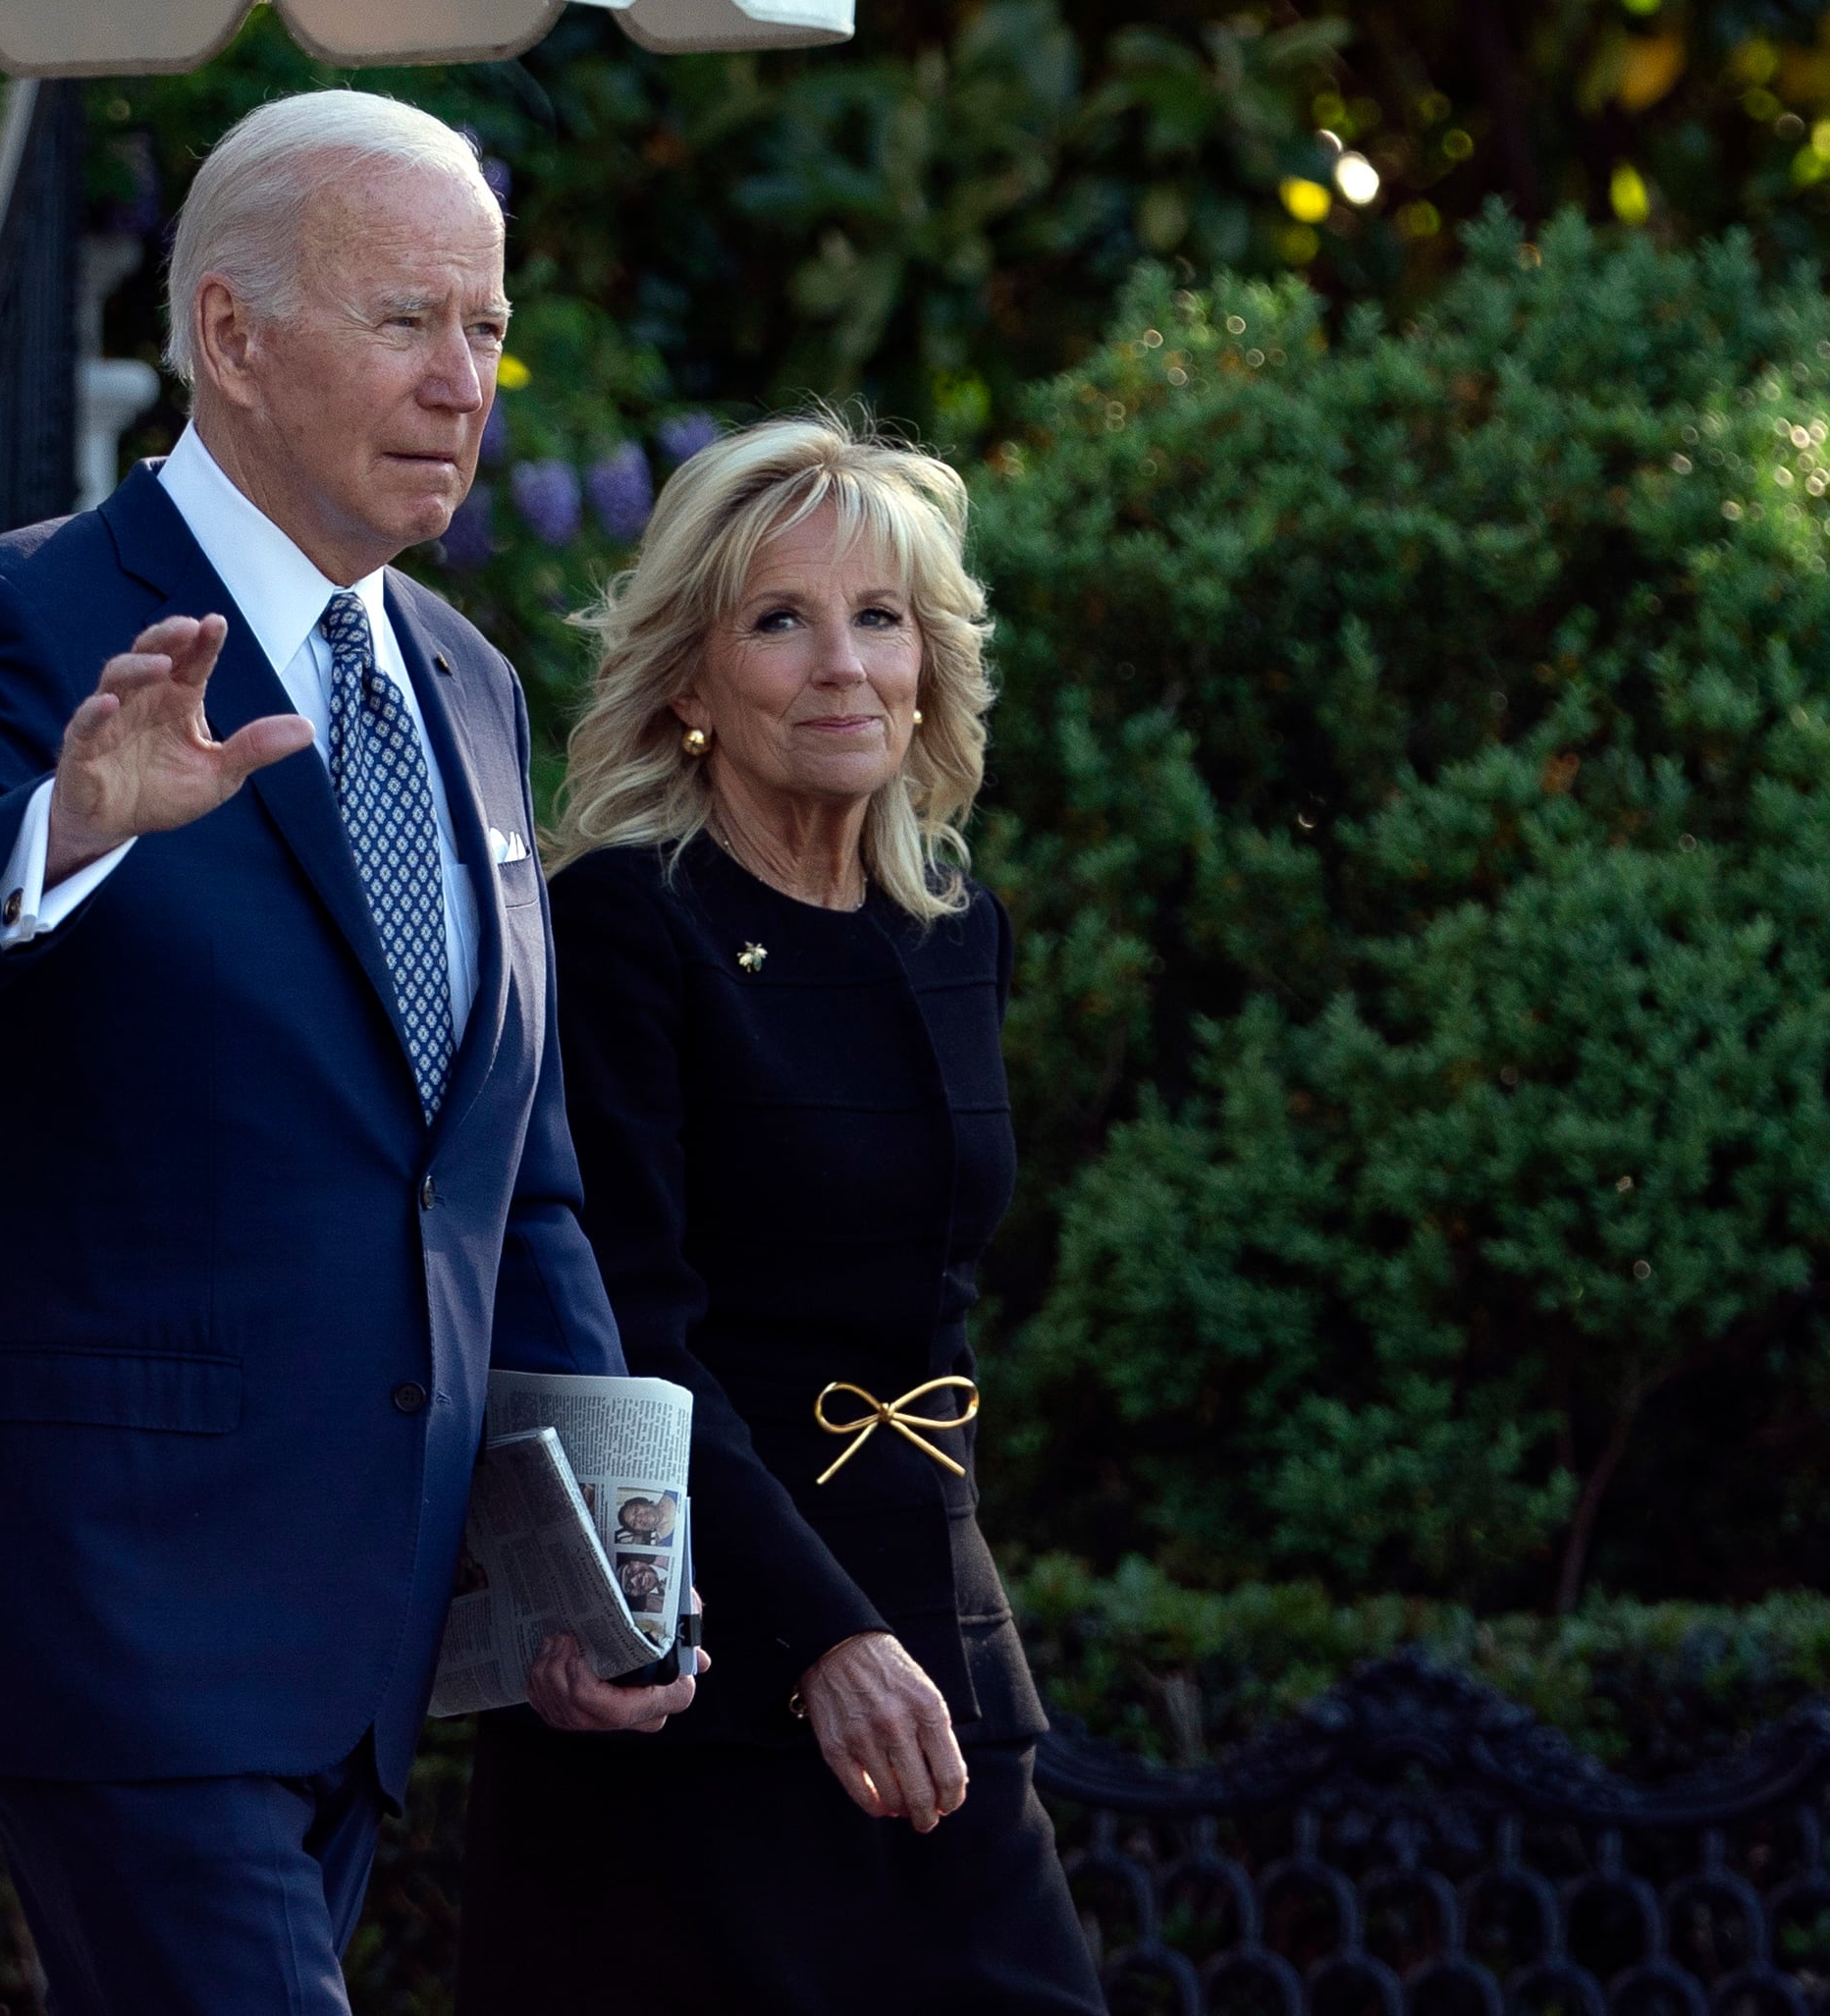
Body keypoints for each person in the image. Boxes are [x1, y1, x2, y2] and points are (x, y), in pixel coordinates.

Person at [0, 90, 694, 2016]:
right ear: (230, 334)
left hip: (364, 1622)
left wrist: (599, 1548)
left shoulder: (466, 680)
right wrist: (66, 827)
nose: (465, 385)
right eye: (407, 321)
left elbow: (496, 1166)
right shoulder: (28, 623)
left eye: (487, 330)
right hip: (119, 1602)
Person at [458, 414, 1107, 2015]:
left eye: (878, 618)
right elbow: (637, 1329)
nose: (842, 665)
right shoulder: (619, 926)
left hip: (939, 1646)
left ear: (929, 659)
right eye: (780, 620)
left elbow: (930, 1311)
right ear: (690, 681)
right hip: (701, 1673)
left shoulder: (957, 932)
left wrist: (915, 1618)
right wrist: (815, 1634)